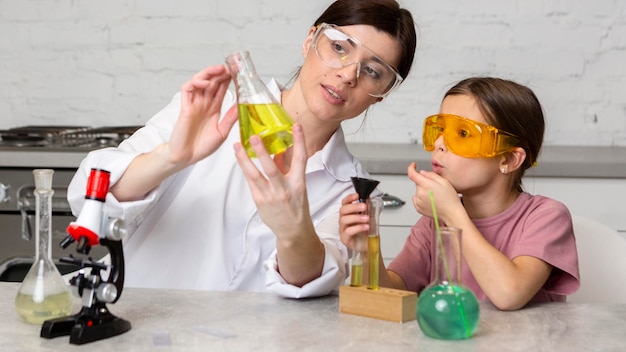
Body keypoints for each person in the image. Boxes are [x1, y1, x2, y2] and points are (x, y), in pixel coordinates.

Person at [67, 0, 417, 298]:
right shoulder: (217, 111)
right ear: (310, 39)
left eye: (372, 71)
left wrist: (293, 229)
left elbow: (310, 282)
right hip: (131, 323)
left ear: (383, 93)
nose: (348, 75)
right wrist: (171, 157)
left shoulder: (355, 190)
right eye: (339, 47)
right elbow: (89, 195)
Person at [339, 77, 580, 310]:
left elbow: (509, 294)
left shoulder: (547, 217)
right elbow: (391, 293)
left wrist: (453, 213)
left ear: (508, 159)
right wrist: (367, 246)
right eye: (440, 130)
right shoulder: (434, 223)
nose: (439, 143)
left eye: (463, 134)